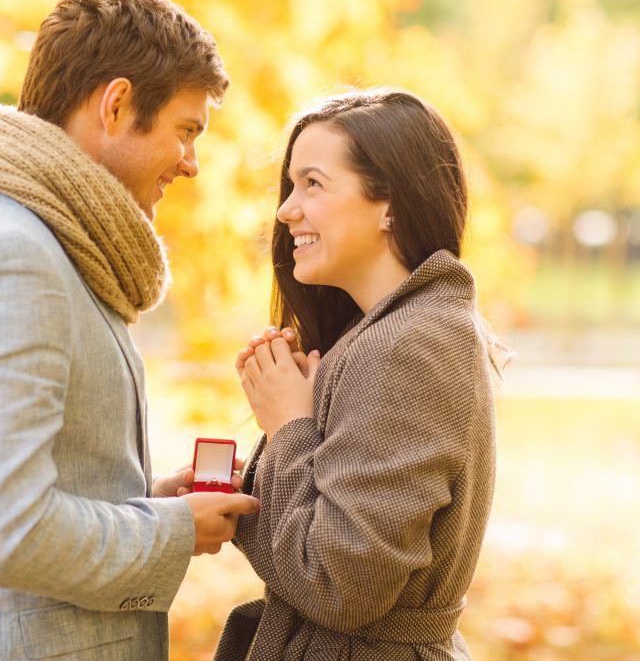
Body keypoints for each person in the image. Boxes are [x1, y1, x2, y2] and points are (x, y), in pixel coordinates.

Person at [0, 0, 260, 661]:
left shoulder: (40, 242)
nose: (192, 164)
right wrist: (169, 530)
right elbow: (3, 530)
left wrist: (146, 501)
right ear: (115, 106)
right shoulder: (9, 254)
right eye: (186, 130)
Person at [214, 89, 502, 660]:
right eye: (291, 185)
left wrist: (291, 426)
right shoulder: (382, 334)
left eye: (313, 184)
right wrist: (232, 492)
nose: (286, 210)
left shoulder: (412, 344)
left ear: (390, 203)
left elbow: (338, 586)